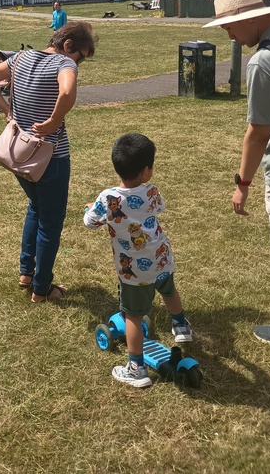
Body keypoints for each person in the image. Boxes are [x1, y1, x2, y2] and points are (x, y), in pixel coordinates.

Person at [203, 0, 270, 349]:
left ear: (246, 19)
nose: (229, 36)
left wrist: (242, 182)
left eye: (229, 27)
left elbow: (258, 134)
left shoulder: (263, 62)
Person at [0, 21, 96, 302]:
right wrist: (54, 121)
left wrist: (9, 110)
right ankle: (41, 288)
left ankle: (26, 272)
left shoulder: (20, 58)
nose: (79, 63)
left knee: (36, 208)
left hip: (19, 153)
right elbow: (67, 92)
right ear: (68, 46)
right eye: (80, 56)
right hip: (51, 157)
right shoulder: (63, 64)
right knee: (50, 223)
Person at [84, 133, 193, 388]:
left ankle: (136, 368)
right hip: (161, 258)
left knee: (133, 315)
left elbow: (90, 223)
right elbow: (160, 207)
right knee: (169, 291)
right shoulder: (151, 191)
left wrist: (91, 209)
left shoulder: (108, 198)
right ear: (146, 171)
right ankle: (181, 326)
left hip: (133, 271)